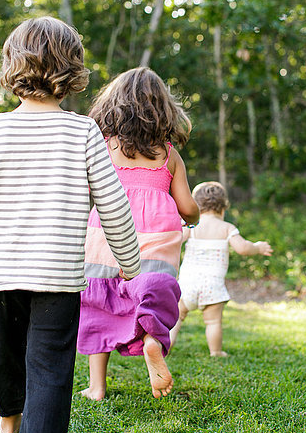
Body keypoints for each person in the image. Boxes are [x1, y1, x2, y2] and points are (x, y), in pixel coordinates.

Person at [0, 17, 141, 433]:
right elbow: (113, 205)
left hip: (2, 268)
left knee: (3, 349)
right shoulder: (81, 131)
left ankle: (10, 419)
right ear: (72, 71)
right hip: (56, 273)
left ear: (12, 67)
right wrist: (129, 261)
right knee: (50, 363)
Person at [77, 66, 199, 401]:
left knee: (98, 305)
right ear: (163, 109)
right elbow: (187, 207)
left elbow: (87, 188)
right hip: (157, 241)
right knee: (153, 298)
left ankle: (97, 387)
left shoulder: (104, 147)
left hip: (107, 236)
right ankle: (152, 341)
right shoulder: (168, 155)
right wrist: (196, 217)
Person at [170, 181, 272, 357]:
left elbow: (176, 239)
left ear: (196, 205)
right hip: (212, 286)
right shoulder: (227, 228)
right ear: (224, 208)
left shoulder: (193, 225)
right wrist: (257, 247)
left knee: (176, 318)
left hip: (188, 282)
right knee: (213, 321)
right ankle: (215, 351)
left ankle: (166, 347)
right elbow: (243, 248)